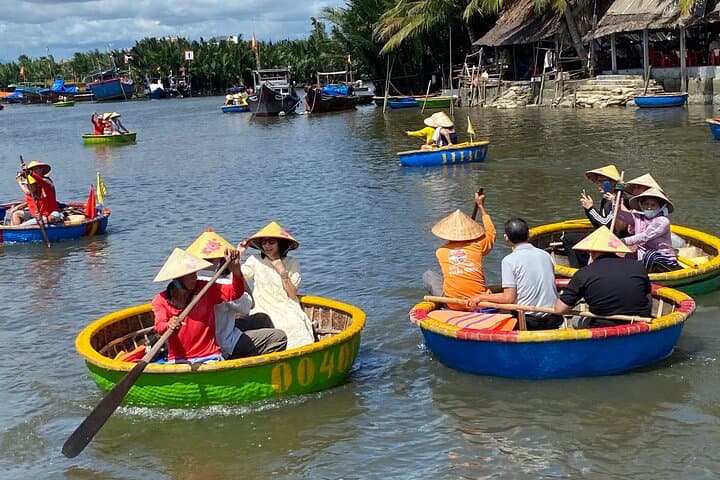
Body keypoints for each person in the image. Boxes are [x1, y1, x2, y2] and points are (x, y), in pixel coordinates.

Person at [185, 229, 287, 359]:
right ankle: (248, 365)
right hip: (224, 342)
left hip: (210, 334)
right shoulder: (221, 284)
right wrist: (236, 271)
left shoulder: (189, 281)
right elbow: (249, 305)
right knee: (279, 337)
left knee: (262, 319)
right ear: (219, 258)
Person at [152, 247, 245, 364]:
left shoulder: (205, 289)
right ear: (177, 279)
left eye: (195, 272)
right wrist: (169, 325)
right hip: (178, 360)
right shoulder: (161, 299)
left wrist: (236, 270)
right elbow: (159, 326)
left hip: (210, 356)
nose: (194, 277)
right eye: (189, 274)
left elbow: (235, 293)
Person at [467, 218, 563, 330]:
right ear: (528, 234)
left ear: (506, 238)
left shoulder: (509, 261)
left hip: (529, 320)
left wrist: (481, 297)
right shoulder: (545, 255)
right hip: (554, 316)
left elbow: (508, 298)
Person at [554, 226, 652, 328]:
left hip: (604, 326)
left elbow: (560, 310)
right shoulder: (638, 266)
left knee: (575, 321)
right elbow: (648, 301)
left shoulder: (584, 273)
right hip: (639, 323)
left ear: (592, 251)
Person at [240, 221, 316, 350]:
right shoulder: (255, 260)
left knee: (294, 324)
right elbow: (238, 275)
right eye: (264, 242)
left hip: (286, 305)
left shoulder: (292, 263)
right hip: (262, 304)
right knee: (268, 324)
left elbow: (292, 294)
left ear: (280, 244)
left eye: (271, 242)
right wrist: (239, 253)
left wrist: (283, 273)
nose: (267, 245)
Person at [423, 190, 496, 310]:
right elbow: (491, 233)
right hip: (479, 302)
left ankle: (443, 305)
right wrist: (481, 206)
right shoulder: (477, 246)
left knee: (428, 275)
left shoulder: (441, 252)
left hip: (454, 303)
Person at [563, 164, 624, 268]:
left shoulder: (618, 199)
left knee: (569, 239)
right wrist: (589, 209)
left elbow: (606, 224)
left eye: (603, 181)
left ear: (613, 183)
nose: (599, 184)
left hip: (615, 239)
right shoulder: (606, 198)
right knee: (569, 237)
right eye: (598, 181)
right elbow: (599, 223)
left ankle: (577, 271)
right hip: (605, 235)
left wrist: (590, 208)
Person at [615, 187, 681, 273]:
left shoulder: (663, 221)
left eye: (653, 205)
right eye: (646, 204)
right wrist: (617, 202)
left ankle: (643, 275)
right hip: (643, 260)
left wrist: (623, 241)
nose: (649, 207)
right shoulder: (637, 217)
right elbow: (620, 214)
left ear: (660, 207)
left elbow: (645, 236)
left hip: (663, 259)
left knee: (650, 255)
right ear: (641, 205)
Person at [11, 160, 62, 226]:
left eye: (36, 169)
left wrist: (29, 172)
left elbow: (39, 180)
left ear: (41, 169)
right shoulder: (36, 185)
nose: (34, 171)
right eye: (32, 169)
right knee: (16, 214)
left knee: (52, 217)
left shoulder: (46, 182)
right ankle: (14, 230)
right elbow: (31, 197)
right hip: (39, 214)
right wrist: (23, 173)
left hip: (49, 214)